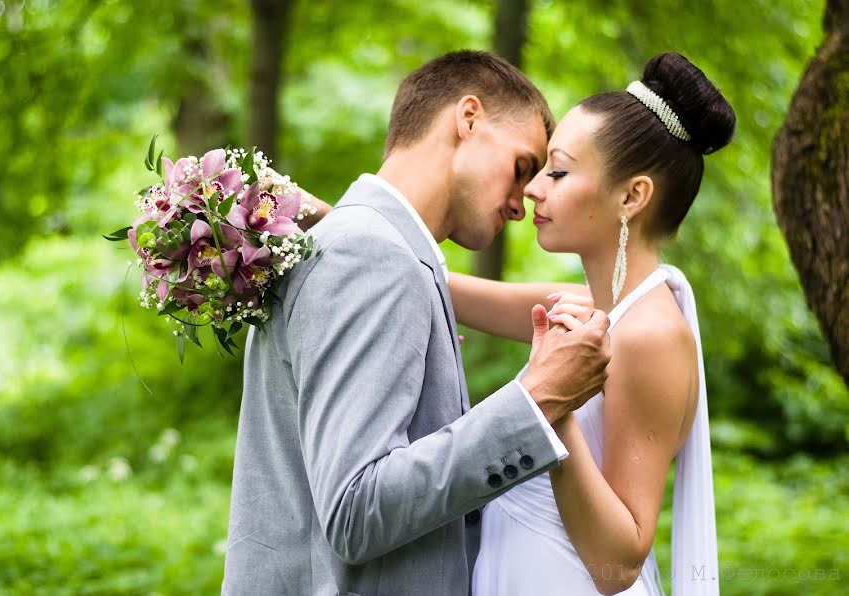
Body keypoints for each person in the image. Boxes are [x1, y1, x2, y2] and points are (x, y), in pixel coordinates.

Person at [221, 50, 612, 595]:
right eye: (523, 166)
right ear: (467, 118)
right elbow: (355, 510)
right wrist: (538, 399)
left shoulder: (371, 249)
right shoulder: (370, 256)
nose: (524, 203)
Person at [456, 52, 735, 595]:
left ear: (632, 196)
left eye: (558, 171)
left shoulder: (651, 335)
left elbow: (620, 558)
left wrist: (552, 407)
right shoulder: (602, 308)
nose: (534, 188)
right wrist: (336, 224)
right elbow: (449, 289)